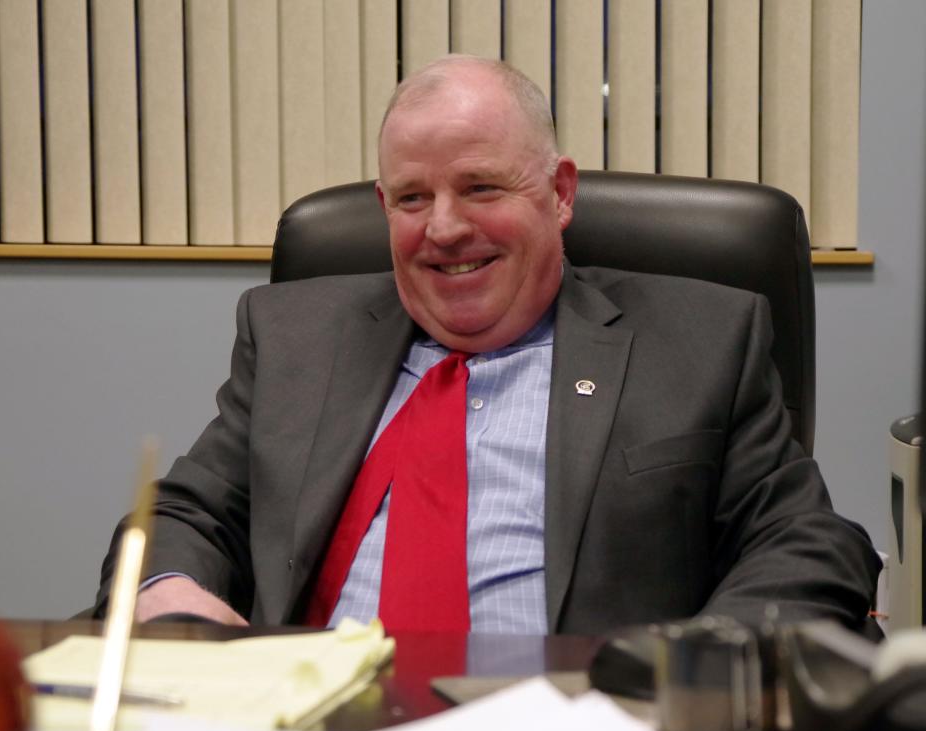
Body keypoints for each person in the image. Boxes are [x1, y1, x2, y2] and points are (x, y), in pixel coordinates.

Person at [93, 55, 881, 634]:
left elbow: (807, 541)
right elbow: (186, 512)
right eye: (412, 197)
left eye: (480, 188)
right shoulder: (295, 335)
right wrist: (166, 587)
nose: (443, 228)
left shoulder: (701, 339)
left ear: (559, 193)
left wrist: (697, 669)